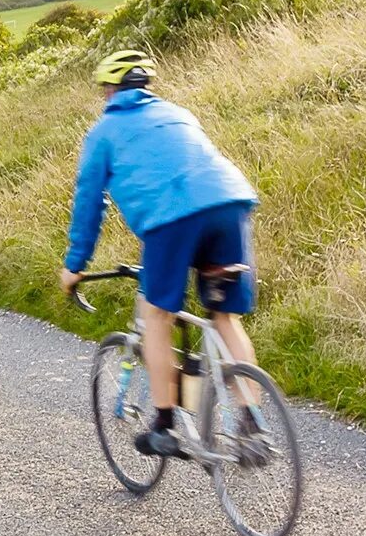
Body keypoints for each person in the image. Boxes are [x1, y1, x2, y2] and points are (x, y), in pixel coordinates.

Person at [58, 48, 263, 458]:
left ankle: (165, 426)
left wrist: (74, 266)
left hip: (172, 220)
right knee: (224, 316)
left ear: (110, 90)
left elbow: (88, 204)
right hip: (231, 204)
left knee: (157, 315)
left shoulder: (103, 133)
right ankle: (253, 424)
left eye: (104, 90)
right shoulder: (179, 113)